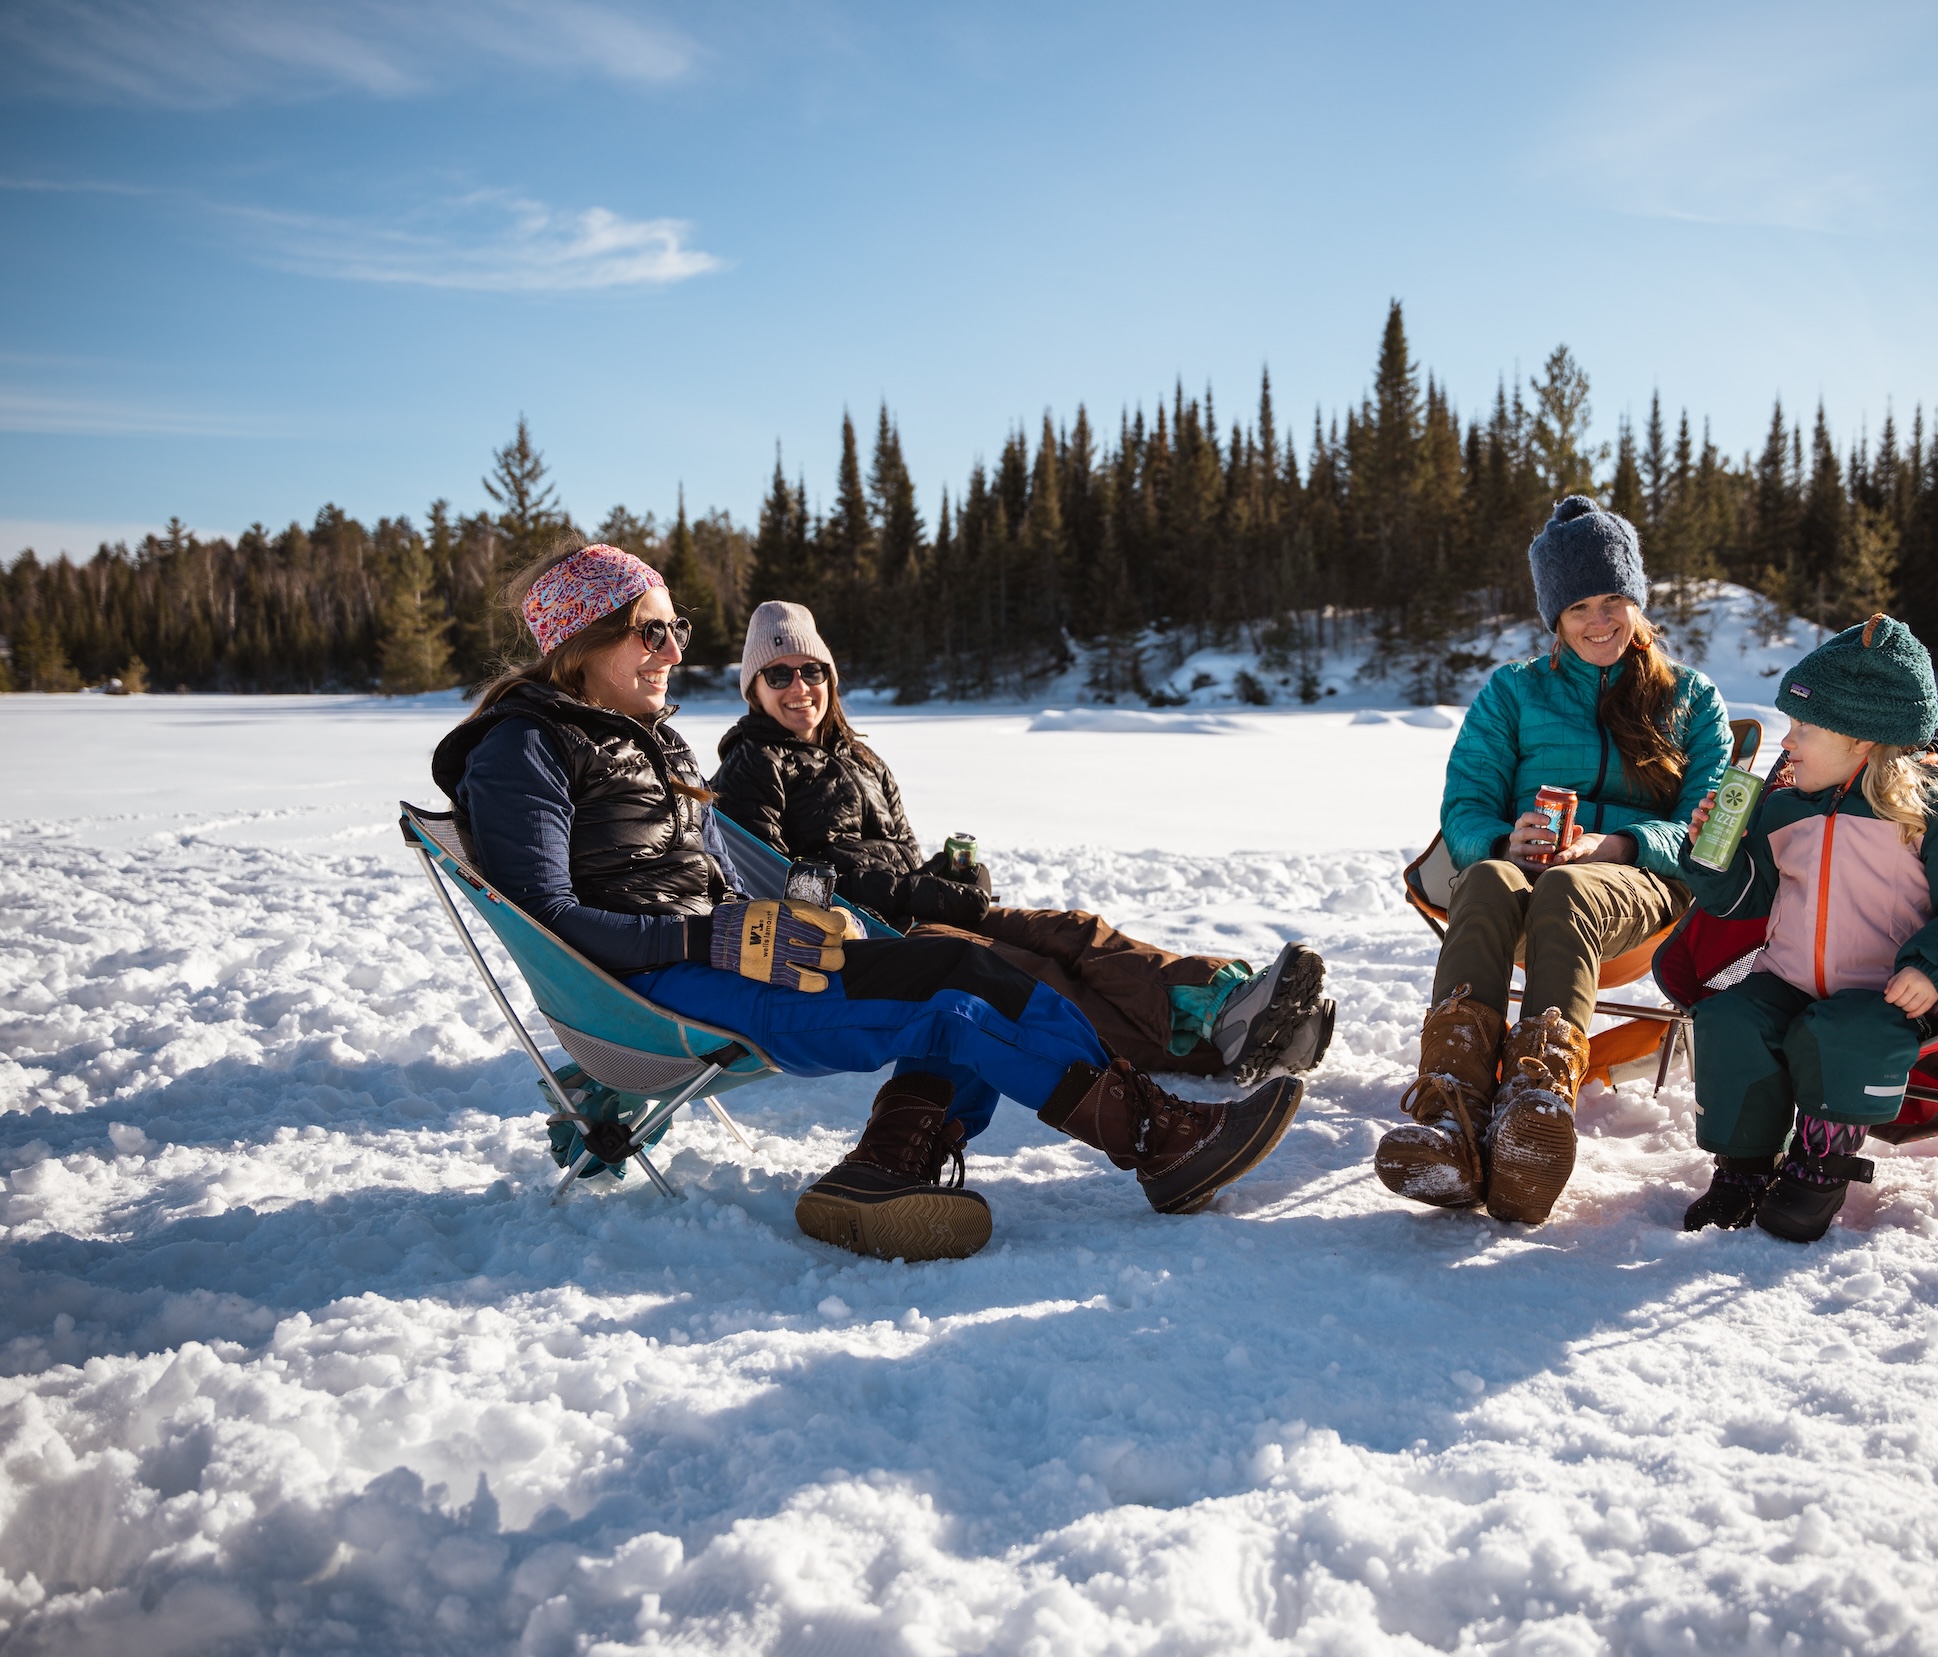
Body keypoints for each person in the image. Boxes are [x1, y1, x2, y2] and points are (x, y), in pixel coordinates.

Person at [432, 544, 1304, 1263]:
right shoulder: (523, 749)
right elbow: (550, 920)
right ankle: (1155, 1138)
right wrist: (713, 938)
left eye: (675, 630)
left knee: (971, 963)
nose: (671, 651)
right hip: (660, 993)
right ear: (581, 640)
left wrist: (768, 918)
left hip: (717, 956)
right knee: (952, 1005)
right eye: (649, 632)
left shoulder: (639, 740)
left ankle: (892, 1164)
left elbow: (682, 879)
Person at [710, 600, 1334, 1083]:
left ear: (831, 676)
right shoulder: (751, 763)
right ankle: (1214, 1052)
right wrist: (915, 893)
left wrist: (949, 881)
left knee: (1073, 931)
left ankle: (1227, 1003)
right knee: (1030, 974)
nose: (800, 687)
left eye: (812, 670)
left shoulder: (862, 758)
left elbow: (899, 854)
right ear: (755, 687)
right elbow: (776, 880)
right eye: (780, 673)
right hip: (857, 941)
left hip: (907, 912)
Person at [1375, 496, 1732, 1225]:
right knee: (1483, 876)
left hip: (1639, 893)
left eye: (1613, 601)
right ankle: (1453, 1111)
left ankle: (1536, 1109)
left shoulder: (1692, 701)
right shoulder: (1512, 692)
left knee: (1568, 885)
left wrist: (1615, 844)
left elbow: (1713, 839)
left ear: (1636, 599)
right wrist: (1508, 841)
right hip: (1521, 884)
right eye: (1579, 609)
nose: (1600, 622)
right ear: (1553, 618)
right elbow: (1464, 812)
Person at [1674, 614, 1938, 1243]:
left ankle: (1820, 1164)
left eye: (1804, 727)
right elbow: (1747, 900)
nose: (1788, 743)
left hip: (1883, 992)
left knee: (1844, 1033)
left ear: (1863, 738)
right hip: (1787, 978)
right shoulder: (1782, 808)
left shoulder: (1932, 814)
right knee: (1731, 1021)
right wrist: (1708, 856)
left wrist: (1933, 967)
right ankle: (1743, 1167)